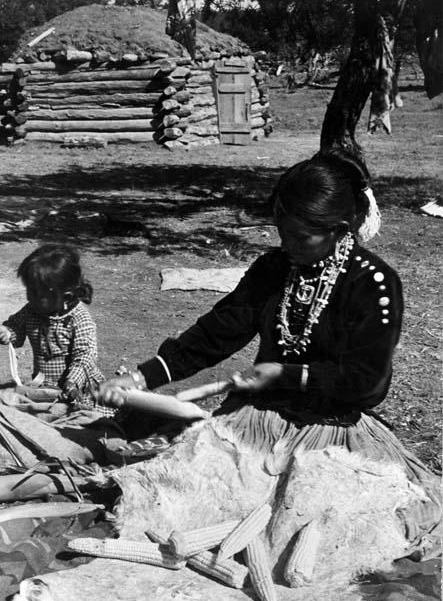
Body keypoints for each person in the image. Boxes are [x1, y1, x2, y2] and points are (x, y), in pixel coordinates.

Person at [96, 149, 403, 428]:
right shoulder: (275, 268)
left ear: (339, 231)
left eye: (300, 237)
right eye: (282, 233)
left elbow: (367, 380)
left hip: (331, 425)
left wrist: (286, 374)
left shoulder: (371, 283)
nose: (287, 245)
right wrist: (140, 378)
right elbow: (217, 333)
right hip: (261, 415)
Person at [0, 243, 105, 409]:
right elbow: (16, 328)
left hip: (78, 390)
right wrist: (6, 333)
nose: (30, 298)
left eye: (37, 294)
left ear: (65, 296)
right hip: (44, 386)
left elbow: (85, 355)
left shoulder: (79, 319)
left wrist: (72, 381)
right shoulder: (32, 310)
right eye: (29, 290)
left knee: (78, 421)